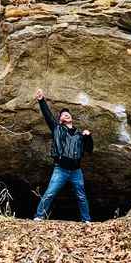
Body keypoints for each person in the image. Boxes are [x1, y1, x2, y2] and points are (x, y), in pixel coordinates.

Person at [33, 88, 93, 223]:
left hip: (76, 171)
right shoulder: (57, 128)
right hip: (60, 169)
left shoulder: (79, 134)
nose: (66, 115)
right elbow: (48, 115)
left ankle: (86, 220)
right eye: (63, 114)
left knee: (81, 196)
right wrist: (42, 100)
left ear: (71, 118)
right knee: (50, 193)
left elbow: (89, 150)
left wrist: (88, 137)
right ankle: (39, 216)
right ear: (60, 120)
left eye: (68, 114)